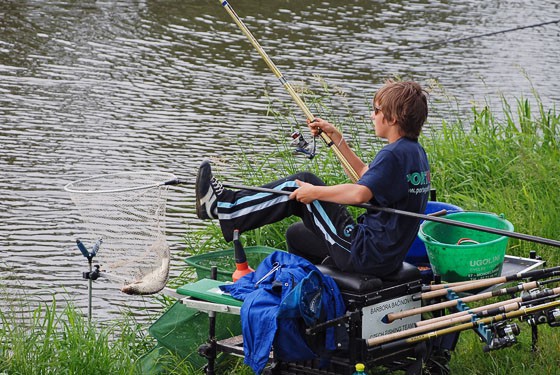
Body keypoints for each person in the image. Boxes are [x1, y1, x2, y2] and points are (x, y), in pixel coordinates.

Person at [195, 80, 431, 277]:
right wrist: (337, 139)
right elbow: (366, 177)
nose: (372, 115)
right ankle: (308, 293)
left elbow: (360, 194)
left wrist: (314, 192)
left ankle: (224, 207)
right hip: (383, 256)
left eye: (377, 110)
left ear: (392, 119)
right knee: (297, 235)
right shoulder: (413, 153)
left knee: (298, 183)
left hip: (363, 252)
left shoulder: (392, 154)